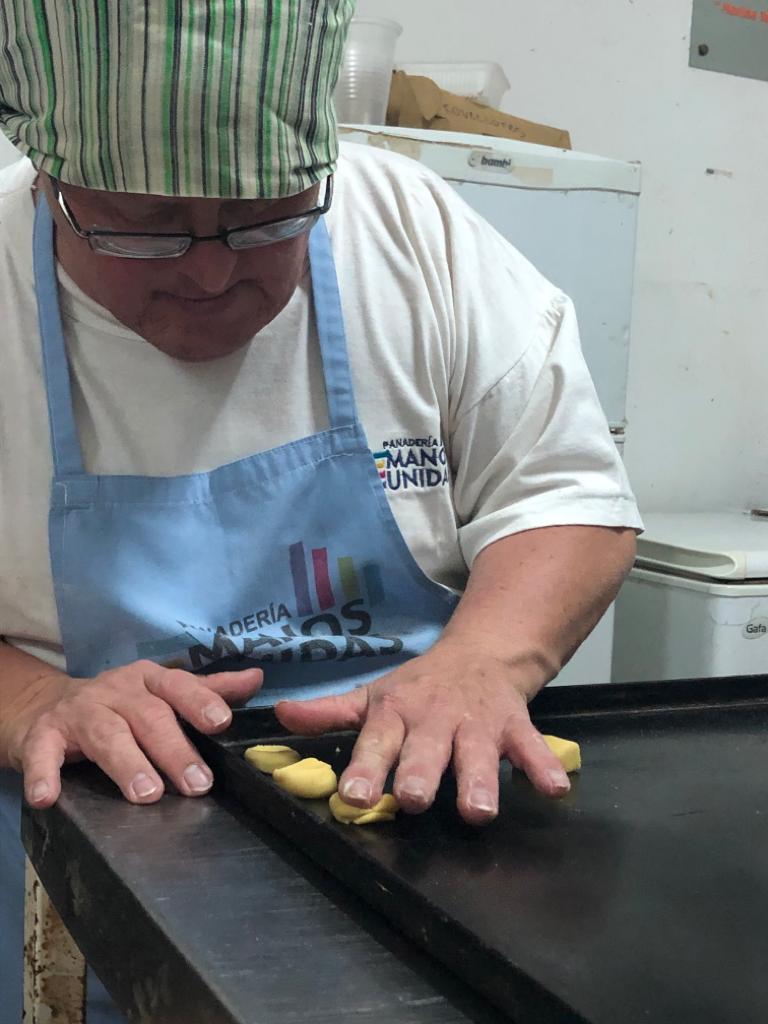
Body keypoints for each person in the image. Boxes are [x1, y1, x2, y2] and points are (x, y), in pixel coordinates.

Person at [0, 1, 641, 1020]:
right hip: (80, 836)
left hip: (422, 837)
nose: (212, 269)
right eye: (145, 224)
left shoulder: (408, 231)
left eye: (267, 214)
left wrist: (485, 661)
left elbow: (565, 491)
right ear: (47, 174)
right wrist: (32, 700)